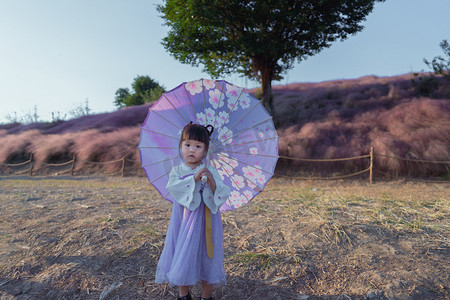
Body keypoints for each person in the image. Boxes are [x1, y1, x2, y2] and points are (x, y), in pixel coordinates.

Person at [155, 122, 230, 300]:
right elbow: (174, 188)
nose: (192, 150)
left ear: (205, 150)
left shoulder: (210, 169)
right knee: (184, 251)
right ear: (181, 146)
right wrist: (194, 180)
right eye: (187, 145)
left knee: (208, 254)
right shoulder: (177, 171)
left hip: (206, 221)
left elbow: (222, 192)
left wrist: (211, 182)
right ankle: (184, 294)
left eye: (198, 146)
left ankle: (206, 296)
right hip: (184, 219)